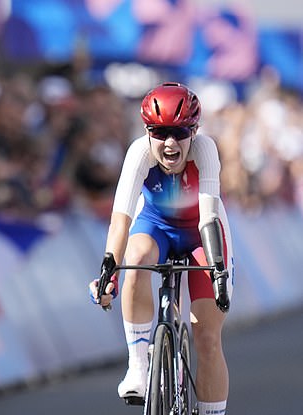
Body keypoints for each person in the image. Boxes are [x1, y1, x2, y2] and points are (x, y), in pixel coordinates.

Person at [89, 82, 233, 415]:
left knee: (208, 339)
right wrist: (108, 268)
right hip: (156, 226)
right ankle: (139, 366)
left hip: (202, 232)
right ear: (147, 132)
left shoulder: (205, 150)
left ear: (194, 131)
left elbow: (208, 217)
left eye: (180, 132)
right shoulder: (138, 152)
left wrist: (218, 273)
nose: (170, 143)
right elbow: (121, 220)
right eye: (160, 132)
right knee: (136, 258)